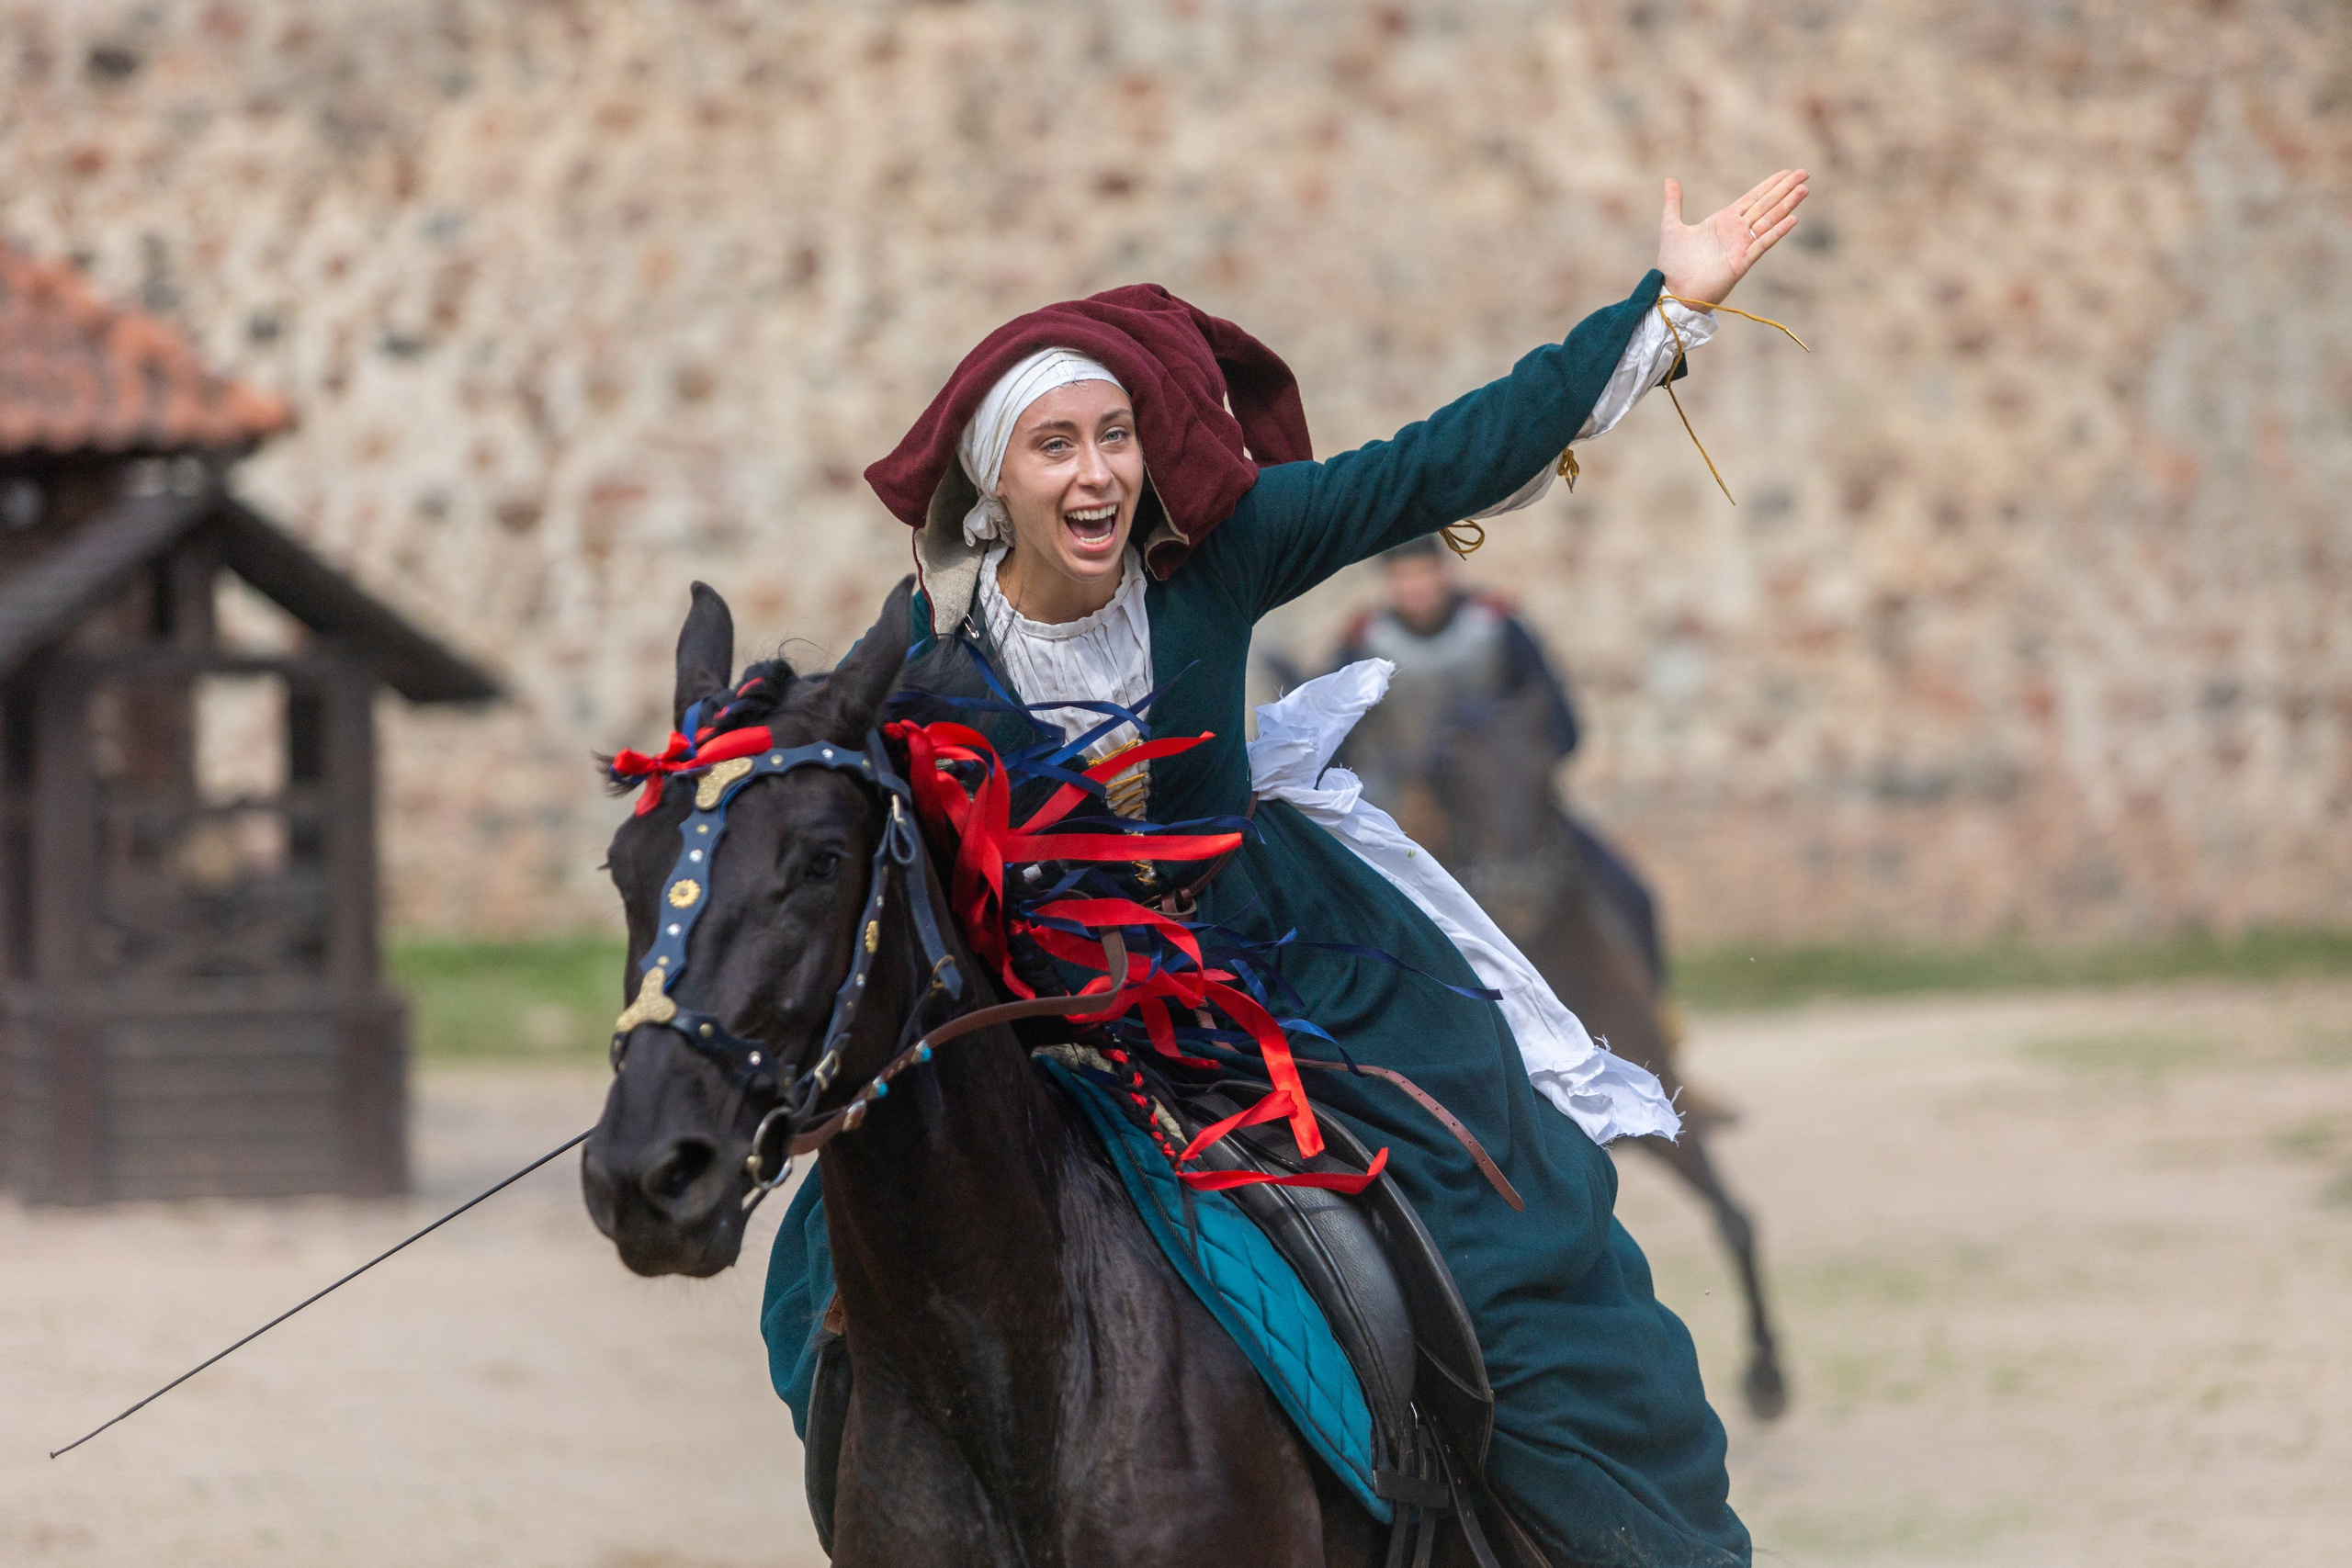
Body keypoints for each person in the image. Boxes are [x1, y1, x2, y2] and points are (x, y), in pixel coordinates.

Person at [767, 170, 1809, 1568]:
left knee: (1501, 1232)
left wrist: (1664, 304)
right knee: (822, 1273)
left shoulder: (1219, 554)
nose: (1097, 474)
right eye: (1058, 446)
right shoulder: (935, 680)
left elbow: (1443, 457)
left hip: (1277, 964)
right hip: (1047, 1021)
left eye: (1117, 437)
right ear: (993, 484)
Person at [1333, 535, 1670, 996]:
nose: (1417, 587)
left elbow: (1561, 725)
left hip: (1503, 811)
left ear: (1443, 572)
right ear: (1389, 583)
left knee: (1633, 897)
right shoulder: (1363, 641)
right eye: (1403, 577)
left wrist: (1516, 770)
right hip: (1400, 817)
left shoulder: (1496, 626)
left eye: (1424, 573)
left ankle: (1658, 1017)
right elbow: (1335, 739)